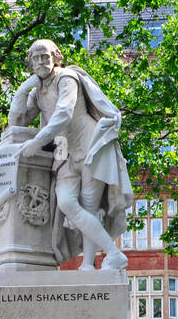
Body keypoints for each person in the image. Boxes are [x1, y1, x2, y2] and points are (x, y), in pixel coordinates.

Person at [9, 39, 133, 271]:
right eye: (35, 59)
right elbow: (17, 122)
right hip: (64, 152)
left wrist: (37, 142)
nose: (40, 62)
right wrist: (23, 89)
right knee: (66, 202)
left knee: (88, 206)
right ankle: (113, 253)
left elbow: (64, 113)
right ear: (30, 64)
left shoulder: (67, 78)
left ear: (56, 57)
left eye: (45, 57)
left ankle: (87, 265)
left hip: (90, 146)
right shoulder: (37, 92)